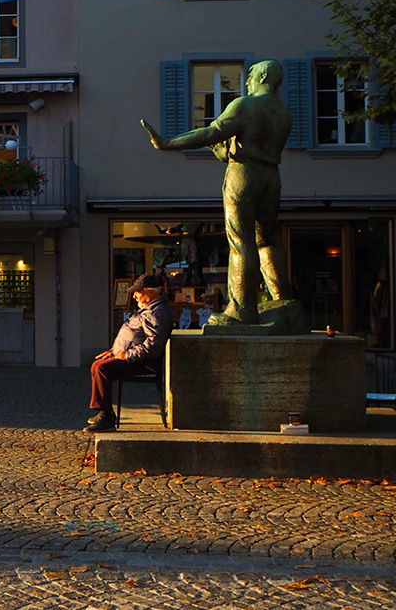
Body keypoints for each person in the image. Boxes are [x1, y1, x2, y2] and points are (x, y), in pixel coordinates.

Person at [141, 59, 292, 325]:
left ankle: (242, 309)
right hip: (272, 177)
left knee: (240, 242)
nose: (247, 81)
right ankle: (281, 300)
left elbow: (211, 132)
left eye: (252, 75)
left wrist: (167, 143)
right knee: (267, 240)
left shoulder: (245, 105)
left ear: (264, 75)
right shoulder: (283, 114)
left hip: (243, 175)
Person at [85, 273, 173, 433]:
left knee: (101, 369)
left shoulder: (155, 312)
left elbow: (154, 344)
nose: (134, 296)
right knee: (97, 365)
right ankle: (105, 412)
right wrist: (114, 351)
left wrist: (127, 355)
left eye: (138, 292)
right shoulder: (150, 309)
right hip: (135, 357)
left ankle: (106, 416)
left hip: (142, 362)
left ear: (150, 292)